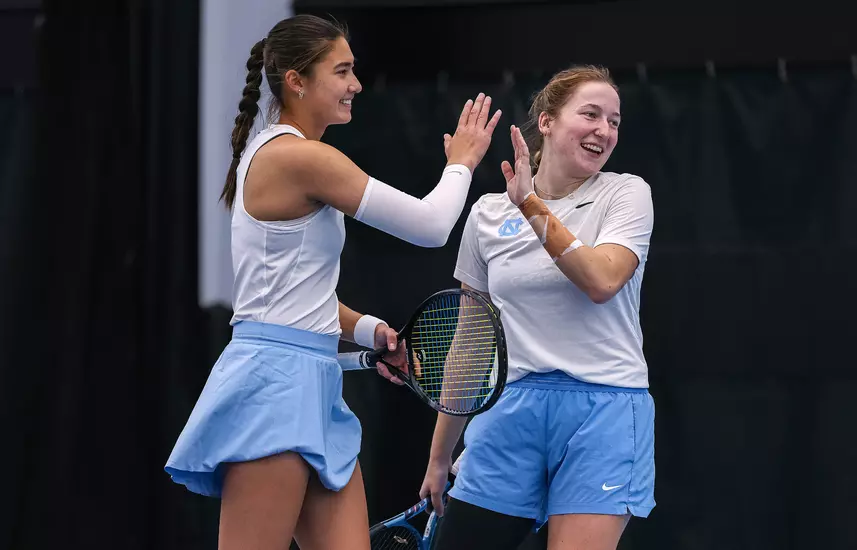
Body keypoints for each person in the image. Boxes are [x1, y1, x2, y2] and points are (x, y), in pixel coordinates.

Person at [164, 14, 501, 550]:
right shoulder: (300, 158)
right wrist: (461, 163)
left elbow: (297, 296)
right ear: (297, 81)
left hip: (314, 384)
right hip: (272, 391)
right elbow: (431, 225)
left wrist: (371, 333)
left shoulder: (289, 154)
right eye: (342, 71)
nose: (356, 85)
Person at [420, 65, 655, 550]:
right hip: (510, 408)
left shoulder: (627, 194)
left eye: (614, 120)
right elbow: (471, 339)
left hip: (605, 410)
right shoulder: (486, 214)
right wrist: (440, 456)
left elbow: (601, 280)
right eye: (590, 114)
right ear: (546, 122)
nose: (604, 130)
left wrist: (530, 203)